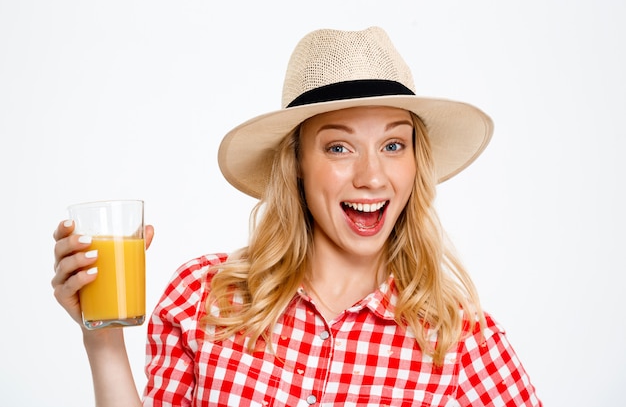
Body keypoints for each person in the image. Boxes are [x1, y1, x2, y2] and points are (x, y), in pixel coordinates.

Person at [52, 26, 542, 406]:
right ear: (297, 166)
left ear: (416, 163)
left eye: (393, 145)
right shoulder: (202, 298)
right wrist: (104, 340)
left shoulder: (461, 340)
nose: (372, 176)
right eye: (339, 147)